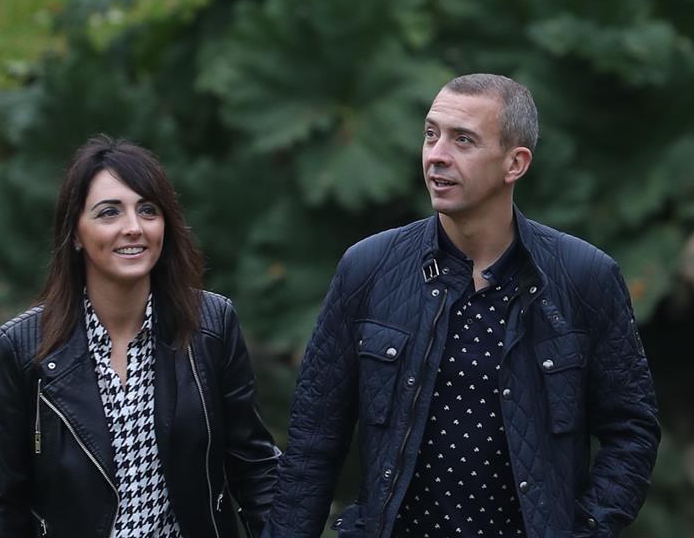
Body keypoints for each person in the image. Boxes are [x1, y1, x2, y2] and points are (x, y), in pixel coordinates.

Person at [268, 74, 660, 538]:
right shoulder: (367, 268)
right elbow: (313, 443)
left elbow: (632, 431)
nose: (436, 155)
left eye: (463, 140)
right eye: (431, 134)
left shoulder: (584, 277)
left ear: (514, 163)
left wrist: (588, 527)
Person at [0, 135, 279, 537]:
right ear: (77, 234)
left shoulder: (212, 326)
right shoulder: (21, 348)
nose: (133, 228)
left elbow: (256, 469)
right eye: (109, 213)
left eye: (148, 210)